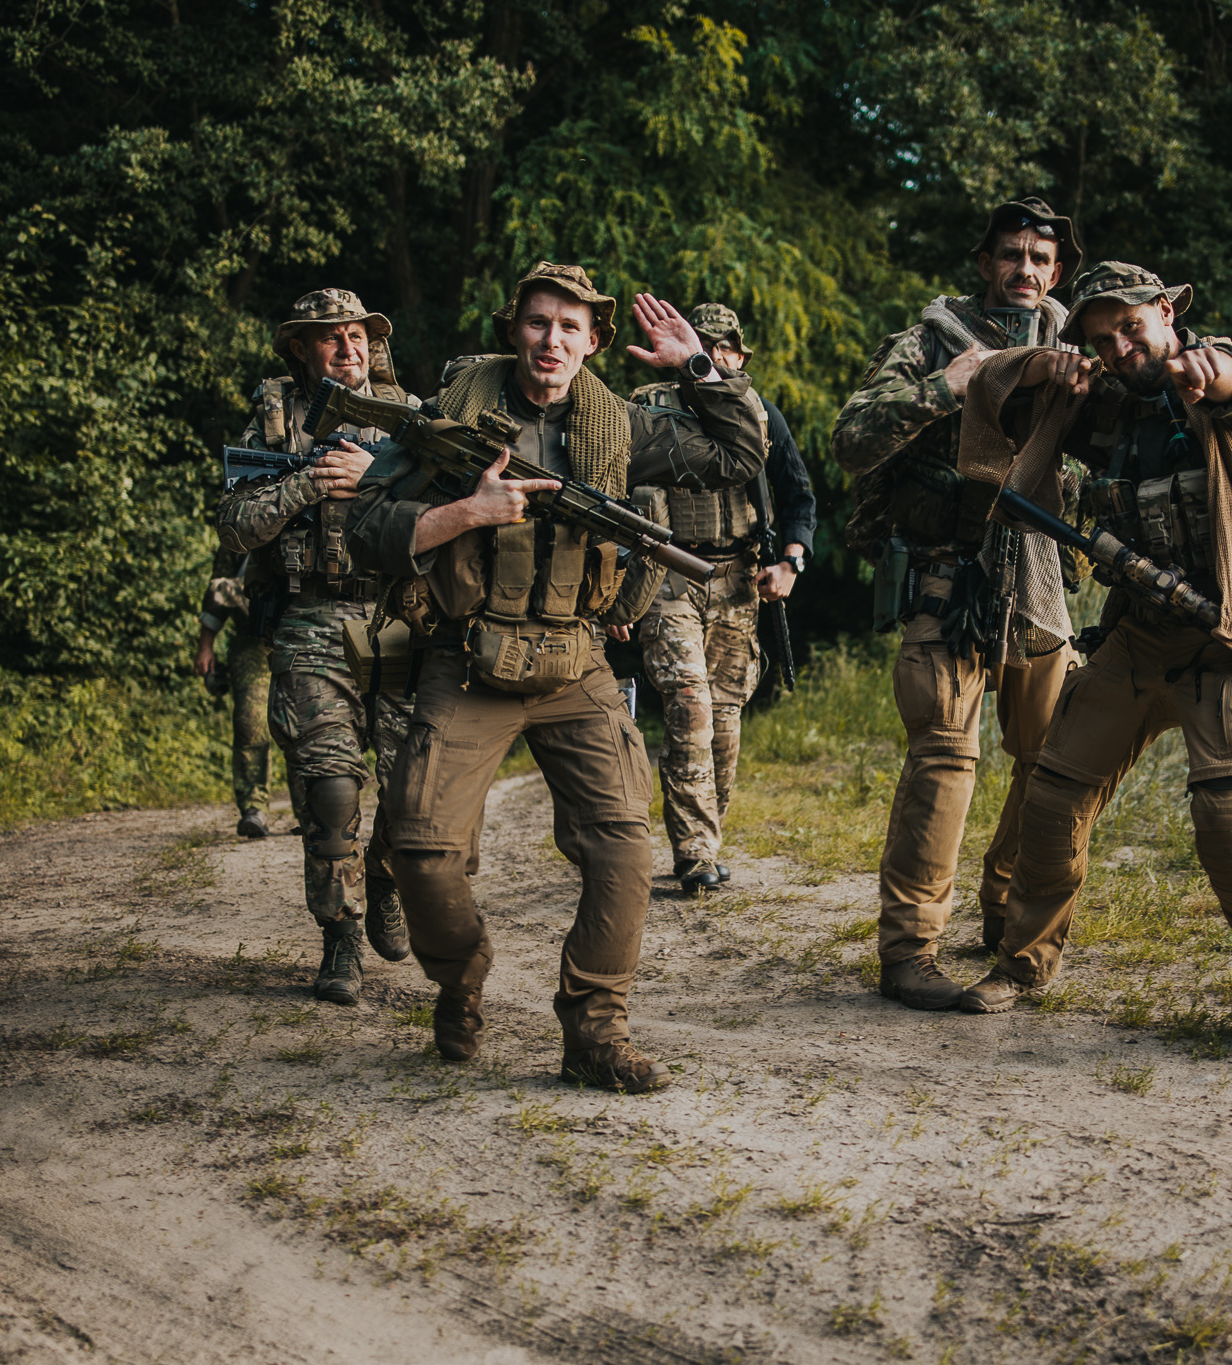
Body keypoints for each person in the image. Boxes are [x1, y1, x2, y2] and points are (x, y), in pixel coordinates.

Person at [325, 262, 767, 1092]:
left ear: (594, 340)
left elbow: (738, 455)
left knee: (625, 849)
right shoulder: (448, 419)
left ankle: (595, 1031)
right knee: (422, 849)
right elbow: (369, 530)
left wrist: (696, 367)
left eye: (570, 326)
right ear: (513, 330)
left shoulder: (619, 425)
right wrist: (467, 512)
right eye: (537, 322)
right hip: (467, 656)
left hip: (577, 658)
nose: (551, 340)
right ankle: (461, 976)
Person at [958, 260, 1232, 1050]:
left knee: (1230, 817)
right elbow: (994, 405)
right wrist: (1040, 367)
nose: (1121, 348)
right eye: (1101, 339)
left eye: (1132, 327)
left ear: (1166, 313)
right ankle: (1022, 964)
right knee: (1054, 794)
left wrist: (1213, 371)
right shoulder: (1104, 409)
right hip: (1141, 633)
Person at [831, 197, 1084, 1012]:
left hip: (1041, 577)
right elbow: (851, 439)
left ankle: (1007, 908)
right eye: (1012, 254)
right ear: (985, 262)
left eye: (1041, 259)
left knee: (1051, 765)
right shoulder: (934, 339)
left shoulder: (1080, 350)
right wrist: (947, 385)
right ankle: (909, 952)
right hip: (951, 580)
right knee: (944, 761)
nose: (1027, 270)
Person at [215, 288, 414, 1008]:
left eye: (357, 335)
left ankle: (387, 876)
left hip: (396, 619)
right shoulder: (278, 422)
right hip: (311, 617)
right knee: (330, 789)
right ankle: (341, 937)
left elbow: (453, 510)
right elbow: (234, 524)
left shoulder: (410, 418)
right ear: (300, 348)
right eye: (330, 337)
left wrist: (380, 475)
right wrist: (305, 483)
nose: (348, 347)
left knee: (411, 791)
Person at [630, 303, 817, 892]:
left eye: (726, 348)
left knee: (726, 717)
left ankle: (708, 838)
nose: (715, 356)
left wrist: (790, 561)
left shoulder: (761, 417)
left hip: (739, 577)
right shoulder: (648, 412)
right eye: (702, 345)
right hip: (669, 574)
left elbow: (798, 499)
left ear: (739, 358)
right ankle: (694, 853)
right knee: (690, 704)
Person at [192, 547, 302, 838]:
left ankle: (314, 811)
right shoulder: (246, 522)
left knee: (305, 725)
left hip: (303, 636)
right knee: (249, 722)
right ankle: (253, 809)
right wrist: (205, 645)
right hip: (252, 636)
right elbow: (218, 588)